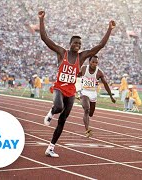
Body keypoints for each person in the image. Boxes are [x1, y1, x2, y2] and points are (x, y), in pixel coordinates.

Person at [38, 10, 115, 158]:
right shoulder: (62, 53)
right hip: (59, 87)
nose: (78, 45)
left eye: (80, 43)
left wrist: (109, 29)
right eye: (75, 43)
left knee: (63, 120)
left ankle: (51, 147)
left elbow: (100, 45)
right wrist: (41, 19)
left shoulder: (83, 56)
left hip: (71, 91)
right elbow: (44, 38)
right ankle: (51, 112)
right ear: (70, 43)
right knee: (59, 107)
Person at [78, 55, 116, 137]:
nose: (94, 64)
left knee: (91, 113)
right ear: (89, 62)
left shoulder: (99, 72)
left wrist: (111, 96)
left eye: (96, 63)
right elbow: (77, 75)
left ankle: (87, 119)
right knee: (86, 110)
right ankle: (87, 130)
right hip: (84, 92)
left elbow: (105, 84)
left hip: (93, 94)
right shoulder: (84, 68)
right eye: (93, 62)